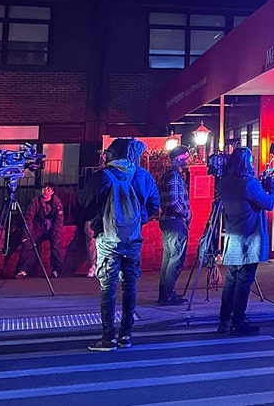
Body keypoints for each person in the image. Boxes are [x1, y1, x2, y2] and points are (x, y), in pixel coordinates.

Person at [80, 138, 160, 351]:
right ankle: (126, 335)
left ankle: (108, 338)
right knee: (130, 285)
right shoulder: (143, 175)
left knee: (108, 286)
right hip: (133, 239)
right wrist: (136, 218)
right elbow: (154, 204)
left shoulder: (102, 176)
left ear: (113, 154)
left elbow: (83, 201)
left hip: (107, 238)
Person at [216, 147, 274, 335]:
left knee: (231, 279)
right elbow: (268, 204)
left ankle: (224, 320)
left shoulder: (224, 182)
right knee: (244, 281)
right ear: (246, 162)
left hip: (233, 234)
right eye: (250, 160)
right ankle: (238, 321)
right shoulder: (249, 183)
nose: (252, 164)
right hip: (249, 236)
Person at [157, 145, 192, 305]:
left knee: (168, 258)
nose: (188, 160)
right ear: (179, 159)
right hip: (175, 221)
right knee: (176, 258)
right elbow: (174, 201)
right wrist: (186, 213)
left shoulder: (167, 175)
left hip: (167, 220)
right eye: (186, 157)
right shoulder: (174, 177)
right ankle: (168, 294)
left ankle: (165, 293)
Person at [15, 182, 65, 278]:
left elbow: (59, 220)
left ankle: (56, 270)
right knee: (27, 244)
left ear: (52, 192)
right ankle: (21, 270)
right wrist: (27, 234)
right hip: (38, 227)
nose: (45, 191)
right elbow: (29, 218)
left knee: (55, 245)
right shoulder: (36, 201)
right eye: (44, 189)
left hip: (51, 228)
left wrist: (56, 234)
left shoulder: (57, 203)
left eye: (48, 189)